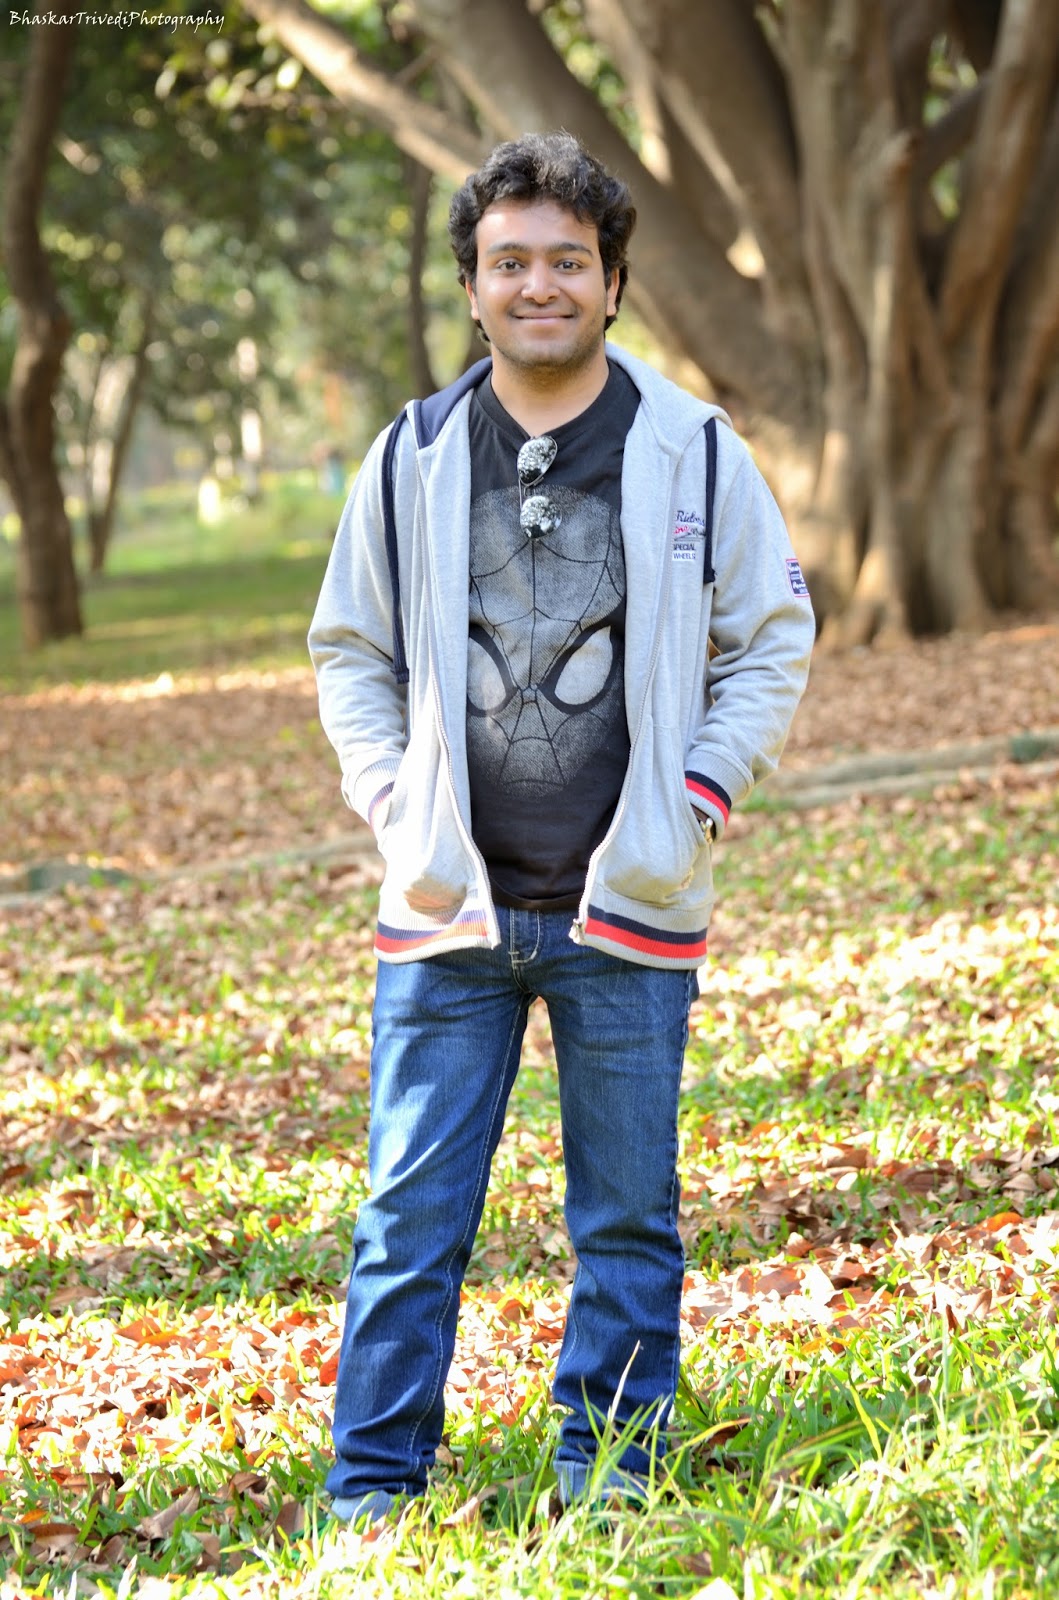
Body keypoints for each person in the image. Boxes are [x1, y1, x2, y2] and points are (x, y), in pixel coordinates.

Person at [308, 131, 815, 1524]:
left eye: (568, 262)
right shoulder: (410, 455)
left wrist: (699, 797)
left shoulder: (691, 449)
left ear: (613, 282)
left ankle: (611, 1485)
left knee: (628, 1223)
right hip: (447, 912)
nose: (540, 285)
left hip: (628, 906)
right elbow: (349, 650)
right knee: (407, 1223)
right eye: (510, 262)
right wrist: (393, 800)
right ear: (473, 286)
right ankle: (373, 1498)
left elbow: (771, 636)